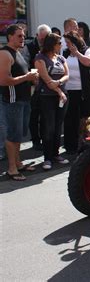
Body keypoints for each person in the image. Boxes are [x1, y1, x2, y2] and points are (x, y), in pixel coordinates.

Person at [0, 24, 39, 181]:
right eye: (19, 36)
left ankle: (18, 162)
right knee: (13, 135)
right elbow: (3, 80)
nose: (23, 38)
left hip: (23, 100)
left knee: (19, 135)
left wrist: (30, 78)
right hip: (12, 101)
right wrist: (27, 77)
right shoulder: (5, 54)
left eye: (23, 36)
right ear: (10, 36)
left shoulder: (18, 53)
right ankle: (12, 168)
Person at [34, 33, 70, 170]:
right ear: (52, 44)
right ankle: (47, 157)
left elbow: (67, 75)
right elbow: (47, 80)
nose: (61, 45)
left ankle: (56, 154)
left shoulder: (60, 58)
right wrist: (60, 91)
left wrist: (60, 82)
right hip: (47, 97)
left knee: (57, 126)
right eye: (59, 43)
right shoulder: (40, 58)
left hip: (62, 97)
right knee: (48, 127)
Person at [63, 31, 90, 154]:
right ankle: (70, 146)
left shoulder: (87, 50)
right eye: (65, 43)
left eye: (68, 42)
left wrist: (76, 53)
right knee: (70, 119)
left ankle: (86, 144)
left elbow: (88, 62)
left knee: (86, 119)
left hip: (84, 90)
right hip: (69, 90)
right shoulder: (65, 53)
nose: (66, 45)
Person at [22, 24, 51, 151]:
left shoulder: (51, 46)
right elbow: (24, 64)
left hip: (48, 84)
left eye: (46, 38)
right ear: (37, 35)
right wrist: (33, 77)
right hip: (34, 85)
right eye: (41, 38)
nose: (43, 41)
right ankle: (35, 140)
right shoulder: (29, 46)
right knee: (34, 113)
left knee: (46, 114)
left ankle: (45, 138)